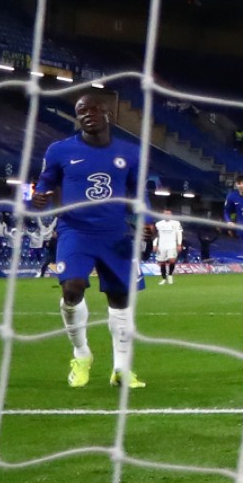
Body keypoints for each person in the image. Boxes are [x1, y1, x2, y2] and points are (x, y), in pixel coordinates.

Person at [31, 90, 151, 389]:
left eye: (92, 109)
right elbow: (45, 181)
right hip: (75, 231)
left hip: (116, 233)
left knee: (121, 301)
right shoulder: (59, 150)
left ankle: (121, 370)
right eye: (80, 110)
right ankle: (81, 353)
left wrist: (145, 221)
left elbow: (139, 192)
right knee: (71, 289)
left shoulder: (131, 152)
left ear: (106, 113)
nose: (86, 114)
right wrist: (40, 194)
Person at [154, 208, 183, 285]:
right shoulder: (158, 224)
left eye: (168, 214)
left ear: (171, 215)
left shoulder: (176, 223)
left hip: (172, 245)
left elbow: (179, 234)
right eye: (165, 214)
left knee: (172, 260)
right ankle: (164, 278)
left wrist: (179, 244)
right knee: (162, 263)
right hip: (161, 245)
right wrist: (155, 244)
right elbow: (156, 235)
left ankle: (170, 275)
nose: (167, 215)